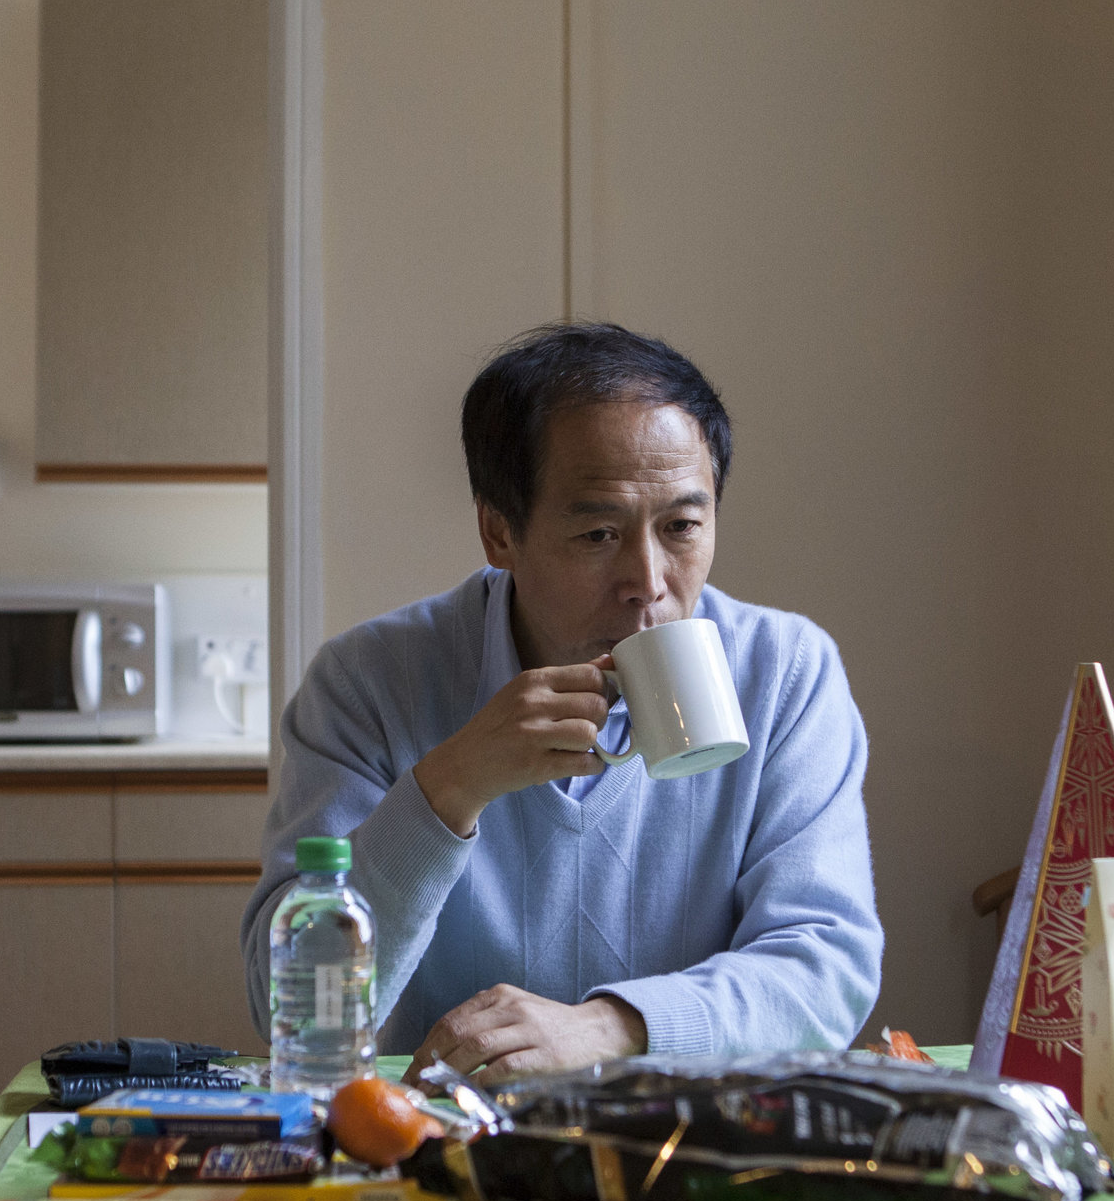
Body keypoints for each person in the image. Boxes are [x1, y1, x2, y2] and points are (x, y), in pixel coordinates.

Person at [240, 322, 883, 1080]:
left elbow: (825, 968)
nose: (647, 579)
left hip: (693, 1142)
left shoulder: (784, 673)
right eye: (599, 532)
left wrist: (617, 1025)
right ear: (498, 530)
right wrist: (448, 787)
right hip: (448, 1141)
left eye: (681, 526)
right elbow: (299, 1013)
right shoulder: (369, 682)